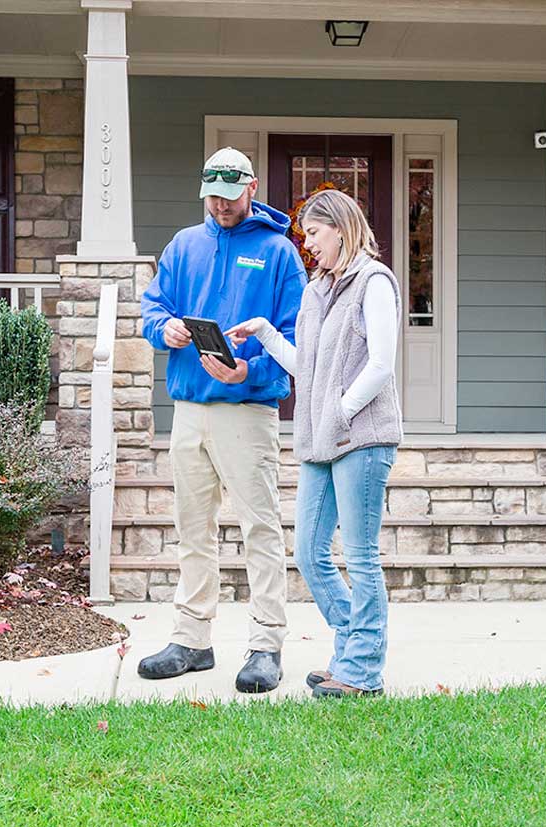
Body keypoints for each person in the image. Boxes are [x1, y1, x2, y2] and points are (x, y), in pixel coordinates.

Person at [138, 147, 307, 693]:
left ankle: (266, 644)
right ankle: (191, 639)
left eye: (230, 197)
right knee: (193, 529)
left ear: (251, 189)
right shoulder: (183, 245)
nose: (220, 205)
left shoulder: (280, 254)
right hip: (188, 409)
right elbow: (153, 306)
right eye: (212, 195)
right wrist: (163, 330)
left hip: (247, 411)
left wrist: (249, 372)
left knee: (260, 527)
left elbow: (295, 339)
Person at [225, 188, 402, 697]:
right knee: (308, 552)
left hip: (361, 438)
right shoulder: (318, 289)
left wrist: (341, 411)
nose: (309, 247)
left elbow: (382, 365)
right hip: (320, 440)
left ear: (341, 228)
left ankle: (362, 670)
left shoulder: (374, 283)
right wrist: (263, 332)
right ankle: (351, 649)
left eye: (315, 235)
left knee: (362, 556)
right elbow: (310, 367)